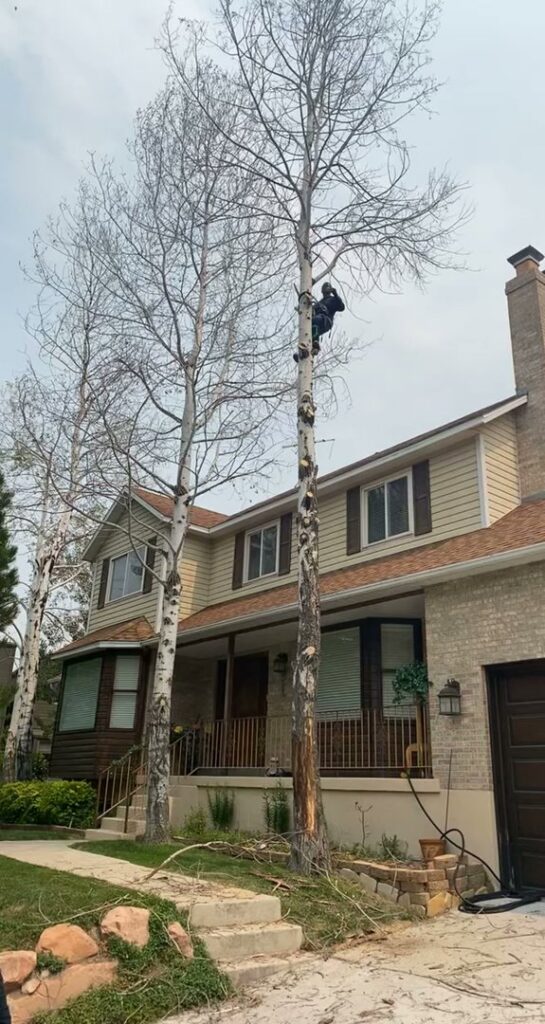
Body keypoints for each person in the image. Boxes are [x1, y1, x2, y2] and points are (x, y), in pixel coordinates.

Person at [294, 282, 345, 362]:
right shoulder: (319, 302)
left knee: (314, 321)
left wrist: (336, 295)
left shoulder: (333, 300)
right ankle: (305, 352)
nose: (326, 290)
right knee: (308, 328)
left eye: (327, 288)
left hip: (326, 320)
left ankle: (315, 343)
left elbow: (341, 307)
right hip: (317, 322)